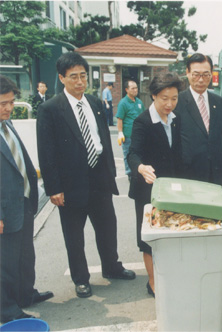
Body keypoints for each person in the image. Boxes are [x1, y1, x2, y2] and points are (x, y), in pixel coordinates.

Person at [37, 52, 135, 299]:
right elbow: (46, 152)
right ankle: (81, 279)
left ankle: (111, 267)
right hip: (70, 185)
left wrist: (111, 173)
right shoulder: (50, 109)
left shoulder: (94, 103)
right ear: (62, 78)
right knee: (74, 234)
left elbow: (102, 138)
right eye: (73, 77)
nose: (80, 81)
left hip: (99, 178)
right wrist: (53, 188)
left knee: (107, 227)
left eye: (83, 76)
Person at [0, 76, 53, 323]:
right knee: (5, 263)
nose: (8, 108)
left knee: (25, 256)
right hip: (3, 209)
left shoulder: (7, 125)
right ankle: (7, 309)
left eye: (10, 102)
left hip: (22, 201)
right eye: (2, 103)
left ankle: (25, 294)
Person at [128, 73, 183, 297]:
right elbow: (133, 153)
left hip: (170, 189)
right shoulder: (142, 121)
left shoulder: (176, 119)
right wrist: (140, 167)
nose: (169, 104)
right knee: (149, 239)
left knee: (169, 235)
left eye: (174, 98)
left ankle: (169, 276)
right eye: (164, 98)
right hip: (147, 190)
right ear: (153, 96)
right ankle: (152, 282)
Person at [175, 53, 222, 185]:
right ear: (187, 73)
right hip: (187, 173)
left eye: (205, 75)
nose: (201, 80)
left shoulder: (220, 102)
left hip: (216, 172)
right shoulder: (177, 102)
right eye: (196, 74)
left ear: (211, 74)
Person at [116, 80, 144, 180]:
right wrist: (120, 132)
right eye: (133, 88)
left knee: (139, 153)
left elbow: (143, 116)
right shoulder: (123, 103)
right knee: (127, 154)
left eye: (136, 88)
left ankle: (137, 171)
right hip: (128, 135)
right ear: (127, 90)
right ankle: (130, 173)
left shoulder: (139, 102)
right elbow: (120, 119)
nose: (135, 90)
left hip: (139, 134)